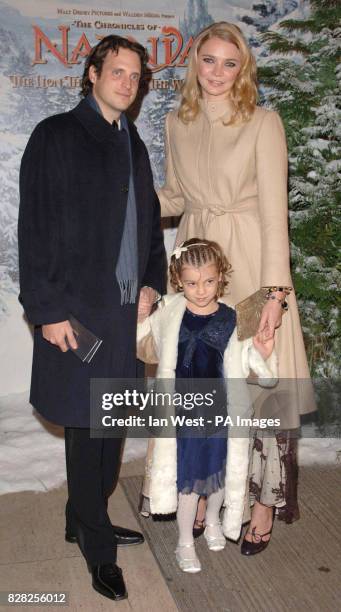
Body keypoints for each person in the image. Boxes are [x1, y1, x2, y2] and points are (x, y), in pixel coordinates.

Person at [155, 21, 315, 554]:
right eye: (209, 60)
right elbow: (176, 197)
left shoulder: (263, 123)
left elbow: (275, 217)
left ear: (242, 68)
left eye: (230, 63)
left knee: (260, 390)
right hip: (199, 262)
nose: (218, 73)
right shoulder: (179, 121)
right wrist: (120, 195)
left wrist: (275, 296)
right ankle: (206, 490)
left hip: (248, 262)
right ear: (194, 62)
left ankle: (264, 502)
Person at [18, 35, 166, 601]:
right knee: (86, 434)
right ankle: (97, 547)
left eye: (135, 75)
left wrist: (152, 281)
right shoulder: (55, 135)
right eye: (118, 71)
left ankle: (82, 516)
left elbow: (148, 226)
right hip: (76, 315)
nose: (127, 82)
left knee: (111, 432)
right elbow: (34, 230)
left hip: (125, 313)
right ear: (93, 72)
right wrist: (47, 311)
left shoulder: (134, 144)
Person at [137, 239, 278, 573]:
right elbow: (145, 342)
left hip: (219, 414)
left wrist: (262, 350)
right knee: (189, 480)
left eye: (209, 282)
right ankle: (184, 542)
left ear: (221, 277)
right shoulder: (170, 313)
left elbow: (247, 364)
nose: (201, 291)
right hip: (183, 416)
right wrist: (140, 316)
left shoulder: (232, 318)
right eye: (191, 283)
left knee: (218, 476)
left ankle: (213, 520)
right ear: (178, 280)